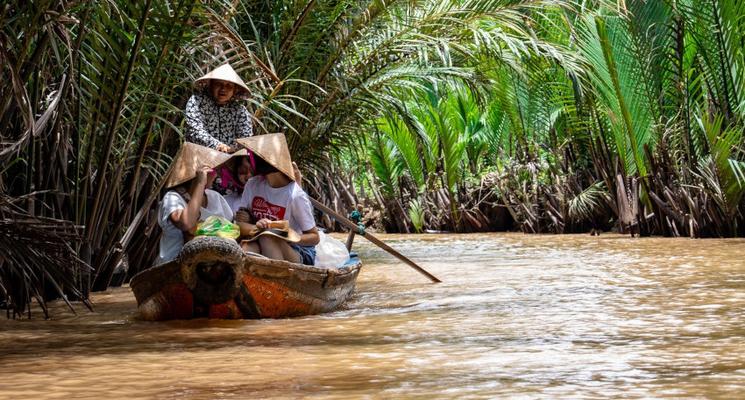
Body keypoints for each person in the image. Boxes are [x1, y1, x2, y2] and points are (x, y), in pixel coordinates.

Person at [234, 133, 319, 265]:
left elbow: (314, 237)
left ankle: (279, 282)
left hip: (298, 250)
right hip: (261, 239)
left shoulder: (295, 195)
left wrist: (289, 235)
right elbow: (239, 224)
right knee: (247, 247)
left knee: (267, 237)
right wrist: (258, 227)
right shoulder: (252, 185)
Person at [156, 143, 235, 264]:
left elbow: (232, 228)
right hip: (175, 265)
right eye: (213, 170)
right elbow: (186, 223)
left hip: (214, 264)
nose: (216, 175)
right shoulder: (173, 198)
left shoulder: (215, 197)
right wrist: (200, 183)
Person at [184, 63, 253, 153]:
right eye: (218, 84)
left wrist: (241, 156)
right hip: (199, 156)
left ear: (234, 90)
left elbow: (246, 139)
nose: (223, 89)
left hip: (230, 159)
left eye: (229, 86)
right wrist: (218, 146)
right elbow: (194, 131)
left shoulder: (239, 110)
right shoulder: (197, 101)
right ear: (211, 85)